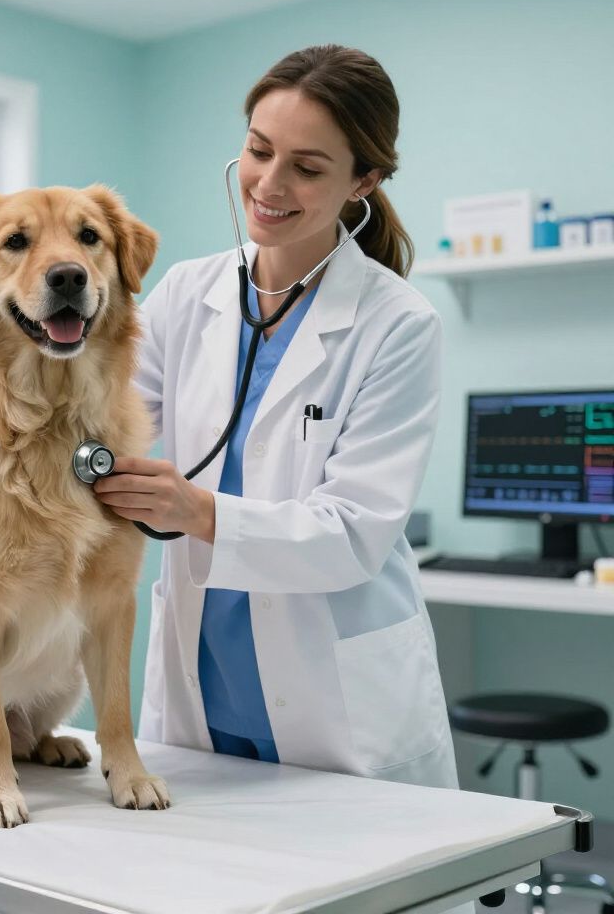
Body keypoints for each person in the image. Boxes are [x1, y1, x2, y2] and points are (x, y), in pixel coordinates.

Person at [92, 44, 459, 792]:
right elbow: (101, 424)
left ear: (365, 179)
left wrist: (193, 509)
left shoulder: (397, 324)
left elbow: (354, 533)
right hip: (202, 683)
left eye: (308, 166)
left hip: (335, 705)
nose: (270, 182)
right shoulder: (185, 296)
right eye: (259, 150)